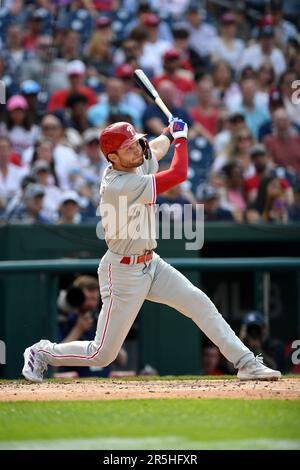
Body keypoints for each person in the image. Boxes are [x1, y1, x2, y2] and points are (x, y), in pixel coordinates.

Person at [22, 118, 281, 383]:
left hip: (151, 263)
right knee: (102, 354)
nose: (137, 149)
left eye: (135, 143)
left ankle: (246, 362)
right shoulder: (118, 185)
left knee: (200, 303)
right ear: (112, 157)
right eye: (129, 147)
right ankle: (41, 352)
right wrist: (181, 141)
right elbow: (178, 174)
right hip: (122, 271)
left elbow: (154, 150)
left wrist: (169, 132)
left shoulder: (132, 161)